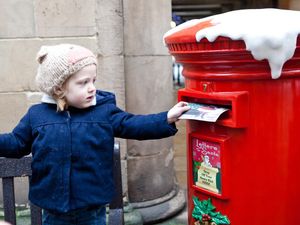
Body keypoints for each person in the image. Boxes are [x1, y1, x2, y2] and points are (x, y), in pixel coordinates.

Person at [0, 44, 190, 225]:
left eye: (93, 80)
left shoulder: (103, 112)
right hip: (52, 207)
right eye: (83, 83)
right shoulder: (37, 115)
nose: (92, 88)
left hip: (92, 207)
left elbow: (132, 124)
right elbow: (17, 143)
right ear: (58, 88)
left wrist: (166, 118)